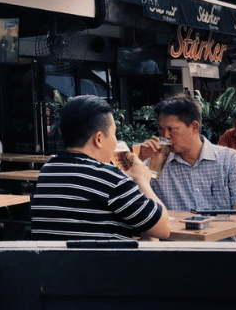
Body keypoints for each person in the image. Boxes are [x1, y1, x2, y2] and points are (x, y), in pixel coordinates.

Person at [31, 95, 170, 241]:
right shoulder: (110, 178)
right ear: (98, 139)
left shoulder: (47, 171)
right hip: (101, 263)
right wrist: (141, 180)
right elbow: (164, 228)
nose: (116, 141)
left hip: (52, 263)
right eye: (114, 134)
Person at [140, 95, 236, 241]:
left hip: (223, 250)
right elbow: (144, 216)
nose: (165, 136)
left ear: (194, 127)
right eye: (161, 129)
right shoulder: (154, 164)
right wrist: (140, 165)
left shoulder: (230, 160)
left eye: (172, 129)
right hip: (176, 253)